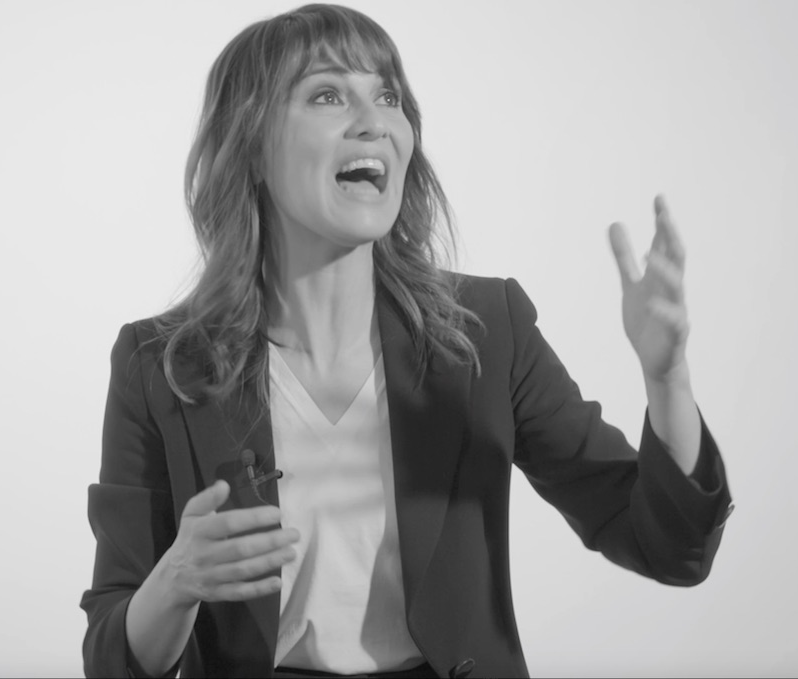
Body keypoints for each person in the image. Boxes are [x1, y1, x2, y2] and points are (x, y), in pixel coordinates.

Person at [79, 4, 734, 678]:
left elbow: (669, 546)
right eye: (328, 95)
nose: (375, 122)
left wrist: (668, 379)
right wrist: (175, 582)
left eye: (388, 96)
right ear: (251, 146)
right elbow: (111, 657)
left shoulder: (486, 329)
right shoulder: (158, 365)